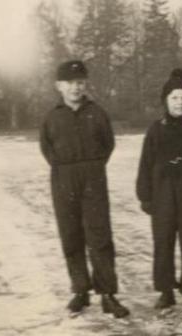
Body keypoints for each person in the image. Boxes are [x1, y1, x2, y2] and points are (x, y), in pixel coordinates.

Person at [39, 60, 129, 318]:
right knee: (71, 235)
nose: (75, 88)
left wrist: (92, 166)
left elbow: (107, 144)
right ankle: (80, 290)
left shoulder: (97, 112)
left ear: (85, 84)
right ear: (59, 86)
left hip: (93, 177)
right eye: (69, 83)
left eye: (80, 82)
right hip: (63, 177)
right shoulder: (52, 116)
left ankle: (108, 294)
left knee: (99, 236)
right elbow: (46, 148)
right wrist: (66, 169)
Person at [136, 68, 182, 311]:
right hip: (163, 195)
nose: (180, 103)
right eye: (175, 98)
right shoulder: (156, 130)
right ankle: (166, 290)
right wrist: (145, 196)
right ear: (165, 101)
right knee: (163, 243)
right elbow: (145, 164)